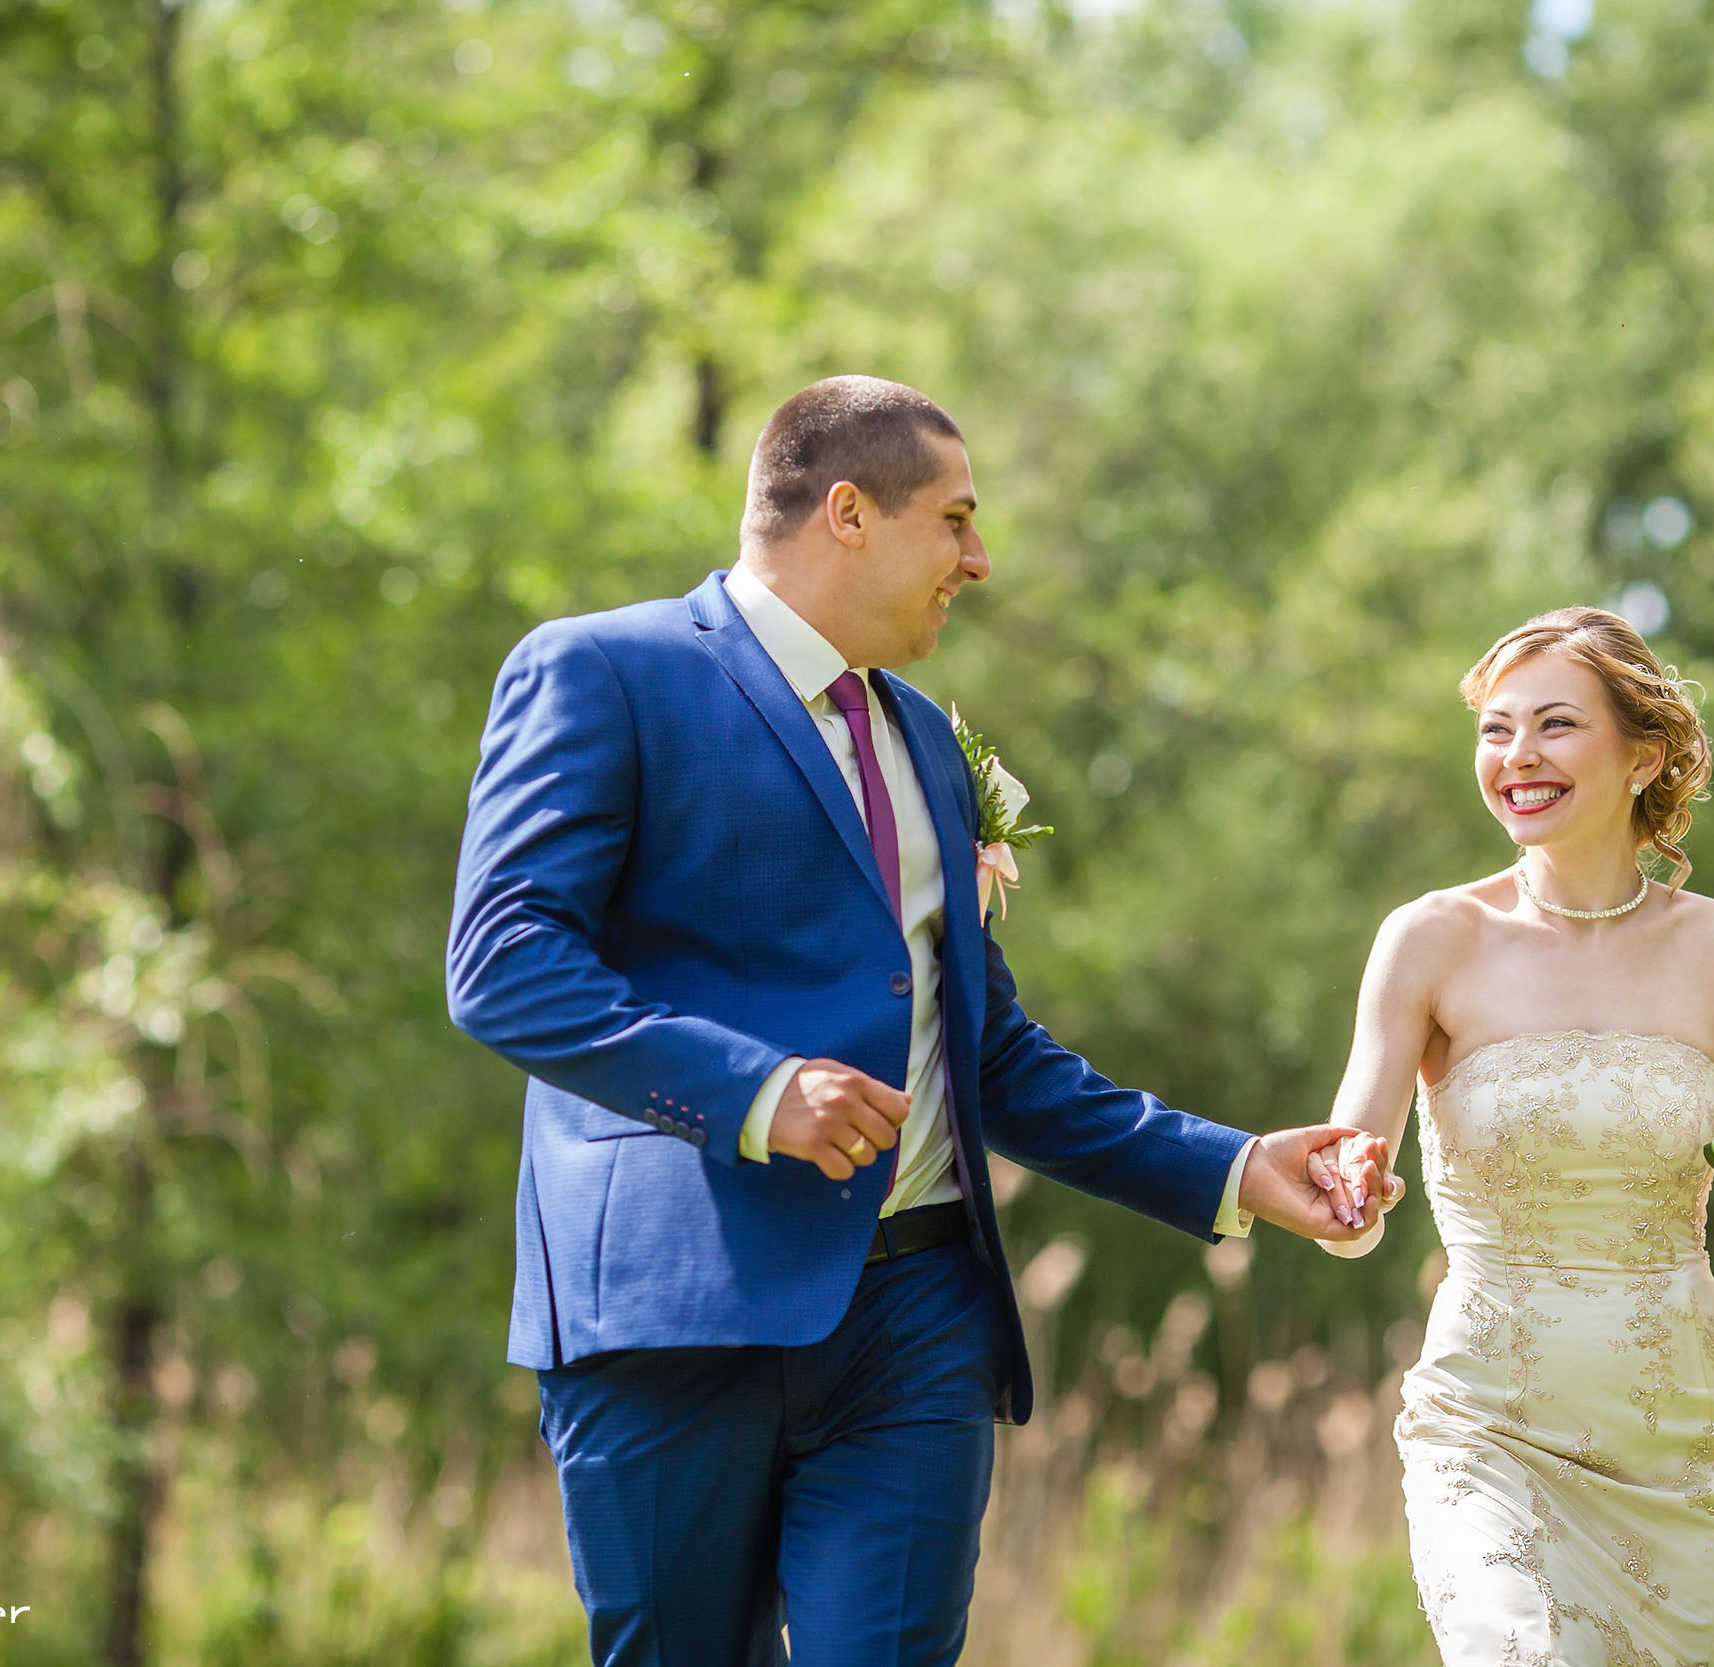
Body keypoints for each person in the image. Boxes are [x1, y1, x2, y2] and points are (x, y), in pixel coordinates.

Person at [446, 375, 1388, 1667]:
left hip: (920, 1318)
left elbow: (986, 1047)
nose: (979, 559)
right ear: (847, 511)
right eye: (954, 519)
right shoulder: (605, 671)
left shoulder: (932, 745)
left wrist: (1230, 1164)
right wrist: (758, 1094)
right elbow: (505, 963)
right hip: (677, 1305)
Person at [1315, 607, 1714, 1665]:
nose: (1516, 756)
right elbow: (1348, 1178)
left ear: (1644, 754)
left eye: (1552, 725)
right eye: (1495, 730)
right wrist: (1349, 1192)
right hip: (1489, 1421)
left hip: (1680, 1439)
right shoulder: (1429, 939)